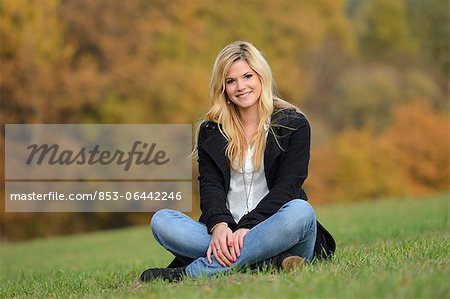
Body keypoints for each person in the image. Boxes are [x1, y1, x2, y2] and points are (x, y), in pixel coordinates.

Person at [140, 41, 335, 282]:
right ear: (222, 87)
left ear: (261, 76)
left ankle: (192, 273)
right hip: (223, 236)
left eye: (247, 76)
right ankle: (265, 261)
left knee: (301, 212)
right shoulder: (212, 131)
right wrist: (220, 226)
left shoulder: (293, 124)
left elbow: (288, 187)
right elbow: (210, 186)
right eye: (231, 81)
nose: (240, 87)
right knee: (162, 221)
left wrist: (248, 227)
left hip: (274, 229)